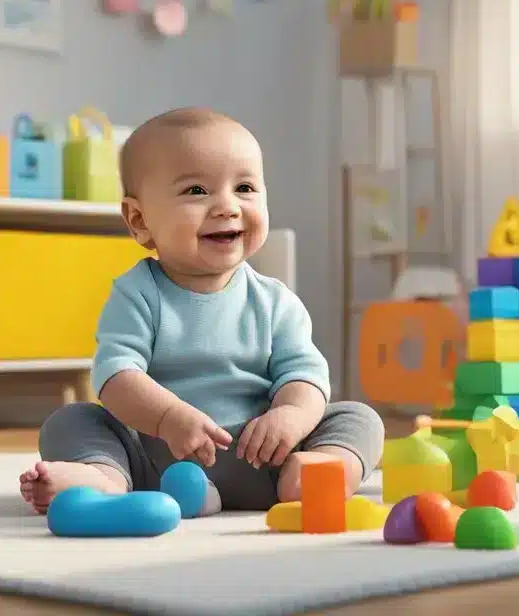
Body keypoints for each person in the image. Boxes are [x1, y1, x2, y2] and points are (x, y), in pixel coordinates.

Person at [20, 107, 383, 514]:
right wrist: (168, 418)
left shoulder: (275, 301)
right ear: (139, 219)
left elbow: (304, 375)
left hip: (263, 457)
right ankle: (106, 477)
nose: (227, 206)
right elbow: (116, 375)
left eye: (244, 187)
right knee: (71, 421)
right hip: (157, 459)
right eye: (197, 191)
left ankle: (317, 471)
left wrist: (290, 416)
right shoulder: (137, 294)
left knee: (357, 418)